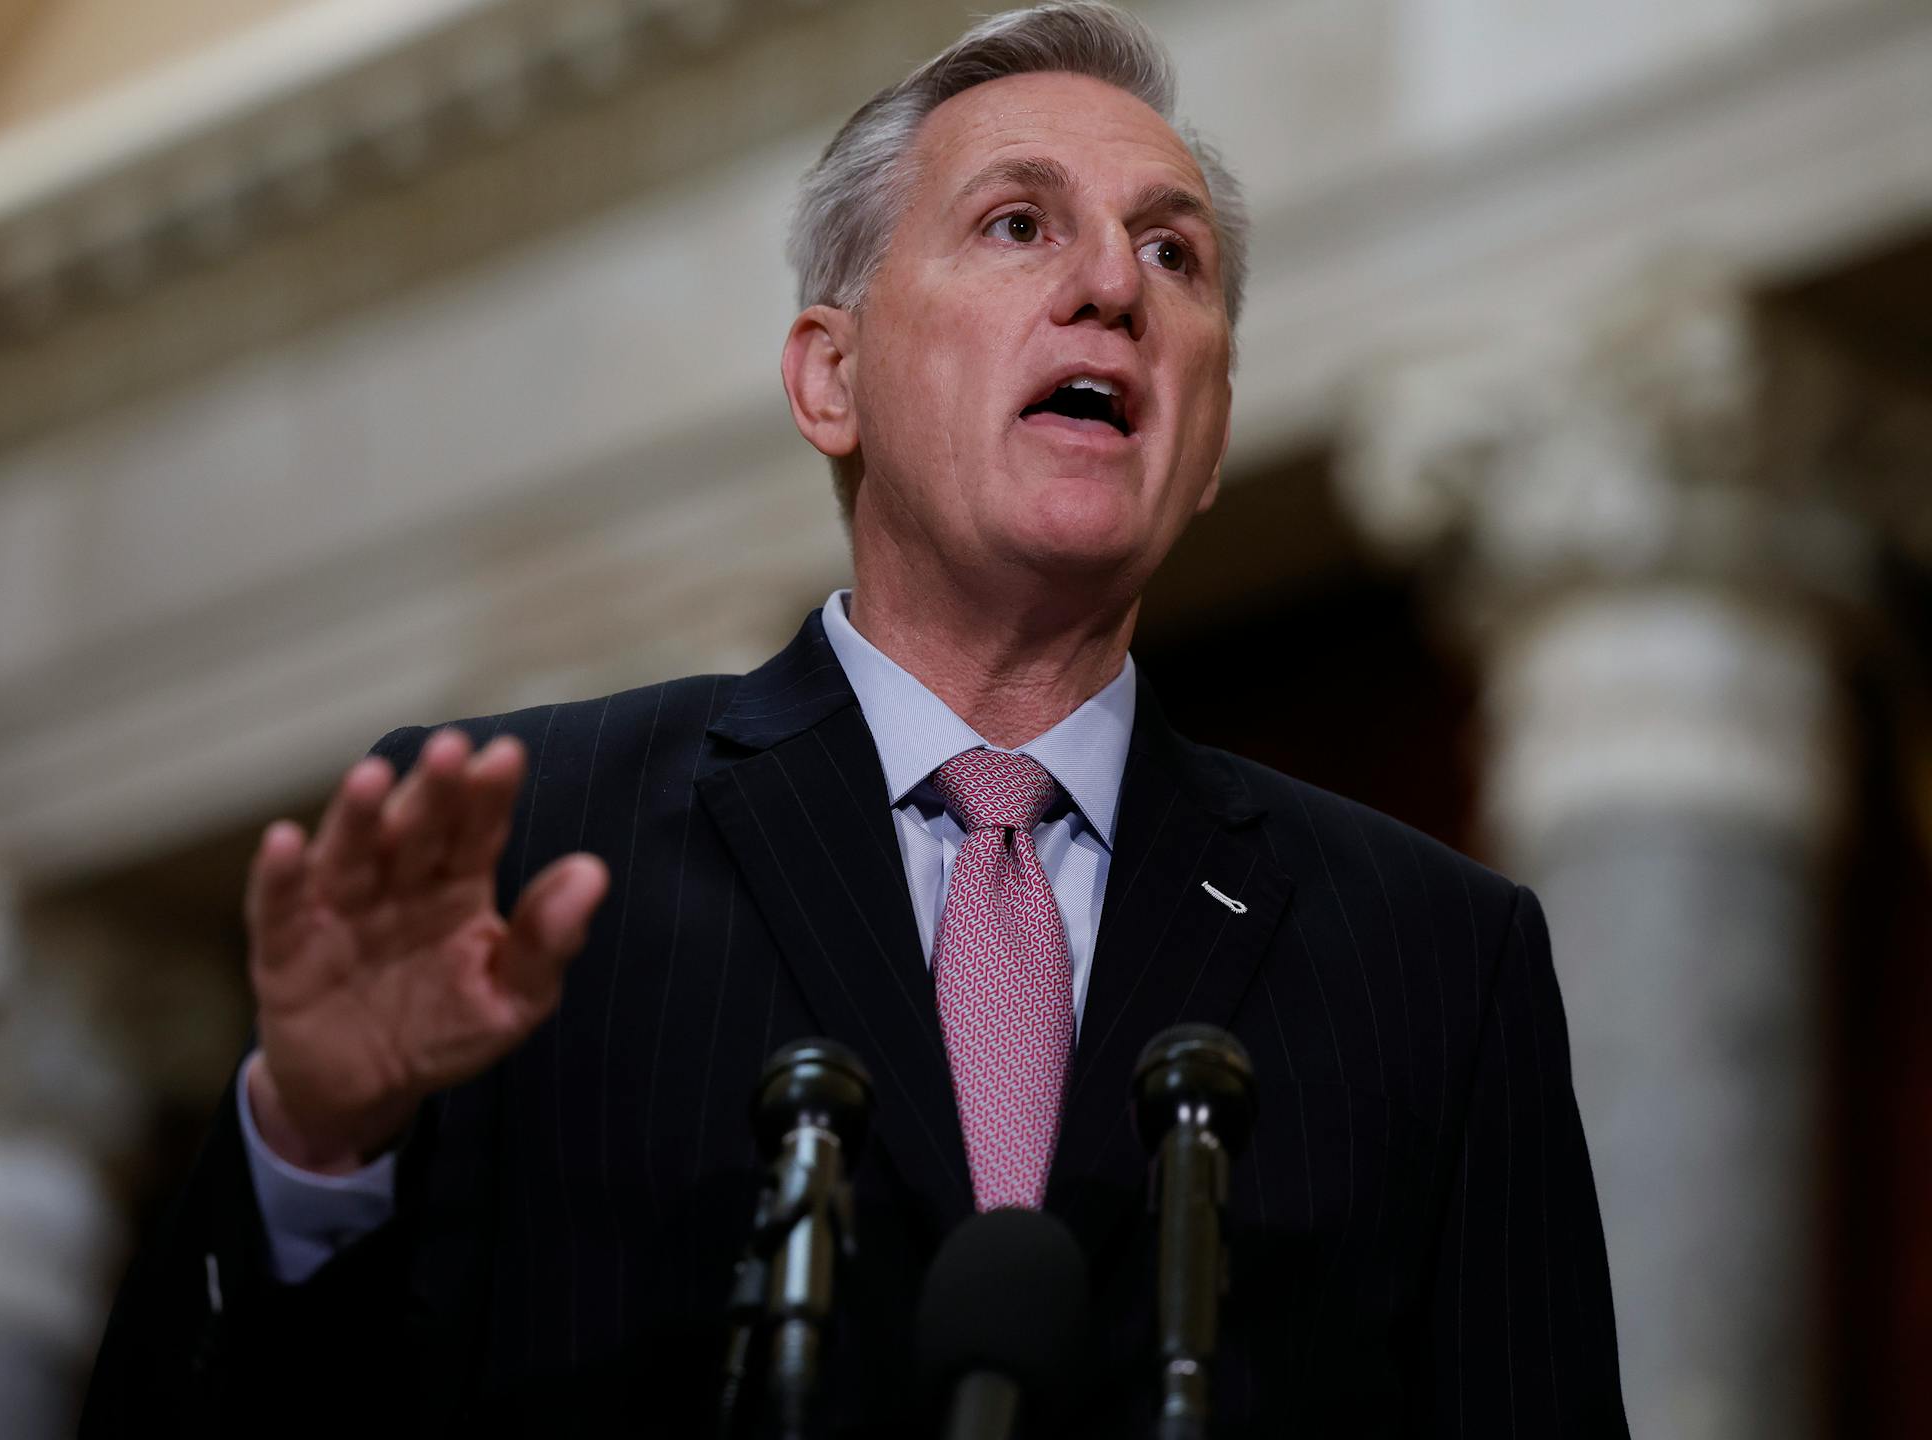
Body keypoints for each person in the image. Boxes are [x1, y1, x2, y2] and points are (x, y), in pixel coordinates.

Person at [83, 5, 1626, 1435]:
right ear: (831, 380)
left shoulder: (1436, 963)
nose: (1111, 286)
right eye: (1019, 225)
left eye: (1175, 256)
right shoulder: (524, 853)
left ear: (1211, 432)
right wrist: (316, 1150)